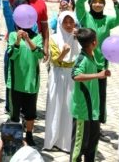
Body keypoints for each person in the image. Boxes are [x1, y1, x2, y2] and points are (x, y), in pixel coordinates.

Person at [75, 0, 119, 127]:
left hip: (102, 64)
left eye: (100, 2)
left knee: (100, 95)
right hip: (86, 61)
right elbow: (79, 2)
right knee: (86, 93)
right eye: (94, 2)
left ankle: (97, 123)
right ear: (90, 3)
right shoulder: (84, 17)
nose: (97, 4)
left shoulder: (107, 20)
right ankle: (85, 119)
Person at [70, 28, 110, 162]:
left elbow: (95, 68)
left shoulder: (91, 56)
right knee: (78, 146)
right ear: (94, 42)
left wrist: (102, 70)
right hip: (83, 111)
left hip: (93, 110)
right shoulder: (82, 58)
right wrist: (98, 75)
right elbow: (75, 75)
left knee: (92, 144)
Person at [43, 11, 79, 152]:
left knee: (69, 107)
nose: (69, 25)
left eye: (71, 22)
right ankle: (52, 140)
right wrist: (64, 53)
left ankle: (66, 142)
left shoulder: (77, 37)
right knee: (55, 105)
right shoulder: (54, 38)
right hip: (58, 74)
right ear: (60, 23)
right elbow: (55, 60)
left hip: (71, 76)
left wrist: (77, 40)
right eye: (66, 22)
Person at [6, 12, 44, 147]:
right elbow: (11, 55)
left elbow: (40, 54)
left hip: (31, 81)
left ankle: (29, 134)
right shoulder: (12, 35)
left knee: (30, 112)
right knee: (14, 112)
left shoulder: (38, 37)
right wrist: (17, 40)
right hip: (16, 82)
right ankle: (14, 138)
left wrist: (28, 40)